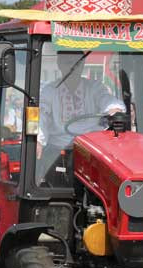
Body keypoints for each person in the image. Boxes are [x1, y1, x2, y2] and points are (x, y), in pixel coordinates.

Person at [37, 51, 125, 183]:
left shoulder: (94, 87)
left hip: (91, 149)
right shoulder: (50, 91)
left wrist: (114, 109)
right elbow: (41, 115)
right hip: (58, 149)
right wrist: (38, 141)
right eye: (68, 63)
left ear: (83, 64)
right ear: (59, 64)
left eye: (76, 63)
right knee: (45, 173)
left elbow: (105, 99)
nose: (72, 68)